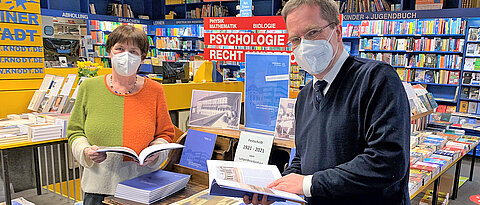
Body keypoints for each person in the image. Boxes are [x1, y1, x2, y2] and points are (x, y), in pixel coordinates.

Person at [243, 0, 411, 204]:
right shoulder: (305, 96)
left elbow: (387, 162)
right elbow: (302, 157)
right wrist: (279, 187)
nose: (304, 46)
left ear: (337, 31)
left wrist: (307, 184)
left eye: (312, 33)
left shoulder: (376, 79)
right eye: (295, 39)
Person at [67, 25, 175, 205]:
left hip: (141, 188)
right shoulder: (89, 88)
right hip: (98, 189)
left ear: (142, 57)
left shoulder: (155, 90)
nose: (126, 55)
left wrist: (156, 154)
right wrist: (85, 151)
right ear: (109, 52)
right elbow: (75, 132)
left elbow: (165, 134)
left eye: (133, 51)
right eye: (120, 49)